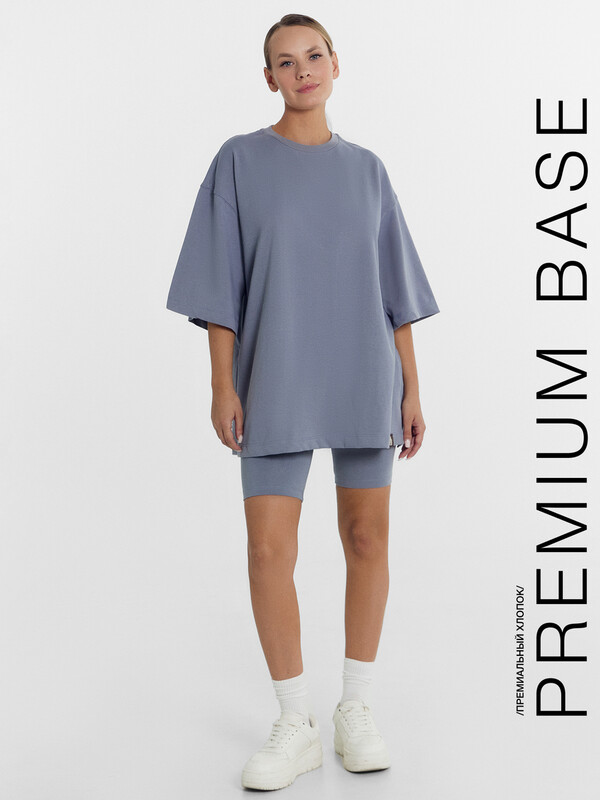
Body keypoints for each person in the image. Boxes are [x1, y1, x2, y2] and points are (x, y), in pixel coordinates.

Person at [166, 13, 440, 792]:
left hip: (364, 371)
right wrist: (222, 383)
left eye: (313, 55)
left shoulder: (368, 171)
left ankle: (356, 708)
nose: (303, 70)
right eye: (285, 62)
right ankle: (296, 721)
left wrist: (413, 384)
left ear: (335, 64)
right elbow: (219, 284)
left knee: (367, 539)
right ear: (269, 79)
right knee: (267, 552)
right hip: (276, 374)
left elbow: (396, 290)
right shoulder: (239, 162)